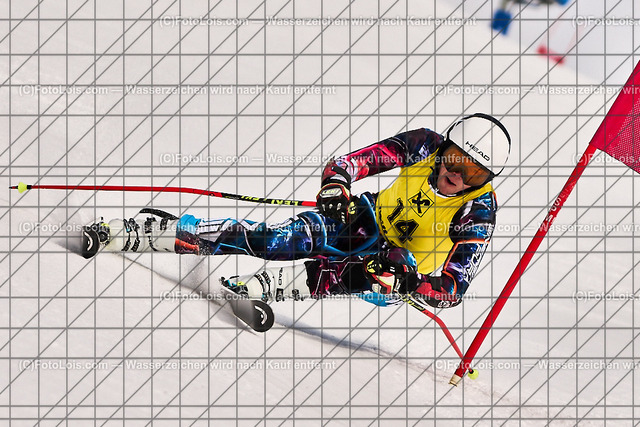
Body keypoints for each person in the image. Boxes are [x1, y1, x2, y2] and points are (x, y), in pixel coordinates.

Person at [82, 113, 510, 309]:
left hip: (399, 266)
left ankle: (272, 287)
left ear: (485, 179)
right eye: (455, 160)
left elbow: (453, 289)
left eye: (473, 173)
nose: (457, 175)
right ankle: (156, 232)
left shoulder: (479, 210)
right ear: (446, 147)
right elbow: (352, 163)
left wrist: (414, 283)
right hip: (363, 220)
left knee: (373, 272)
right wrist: (336, 185)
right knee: (278, 240)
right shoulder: (424, 145)